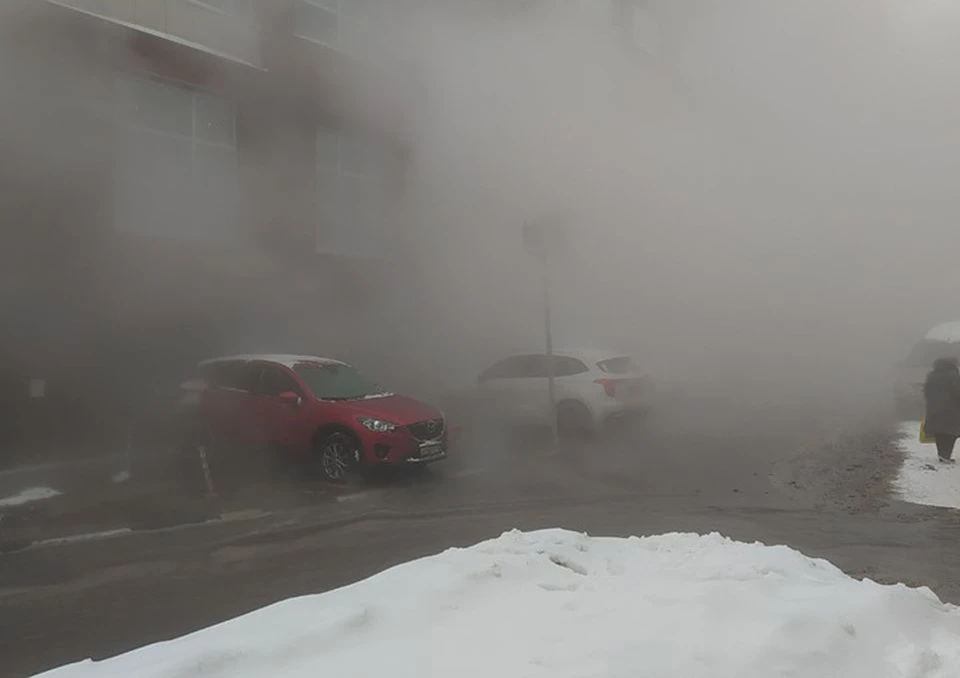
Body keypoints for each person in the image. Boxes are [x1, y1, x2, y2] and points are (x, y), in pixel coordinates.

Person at [923, 357, 960, 463]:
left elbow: (926, 391)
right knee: (951, 433)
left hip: (934, 408)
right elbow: (957, 391)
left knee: (940, 432)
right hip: (951, 409)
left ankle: (942, 455)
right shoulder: (953, 374)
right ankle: (945, 455)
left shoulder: (932, 375)